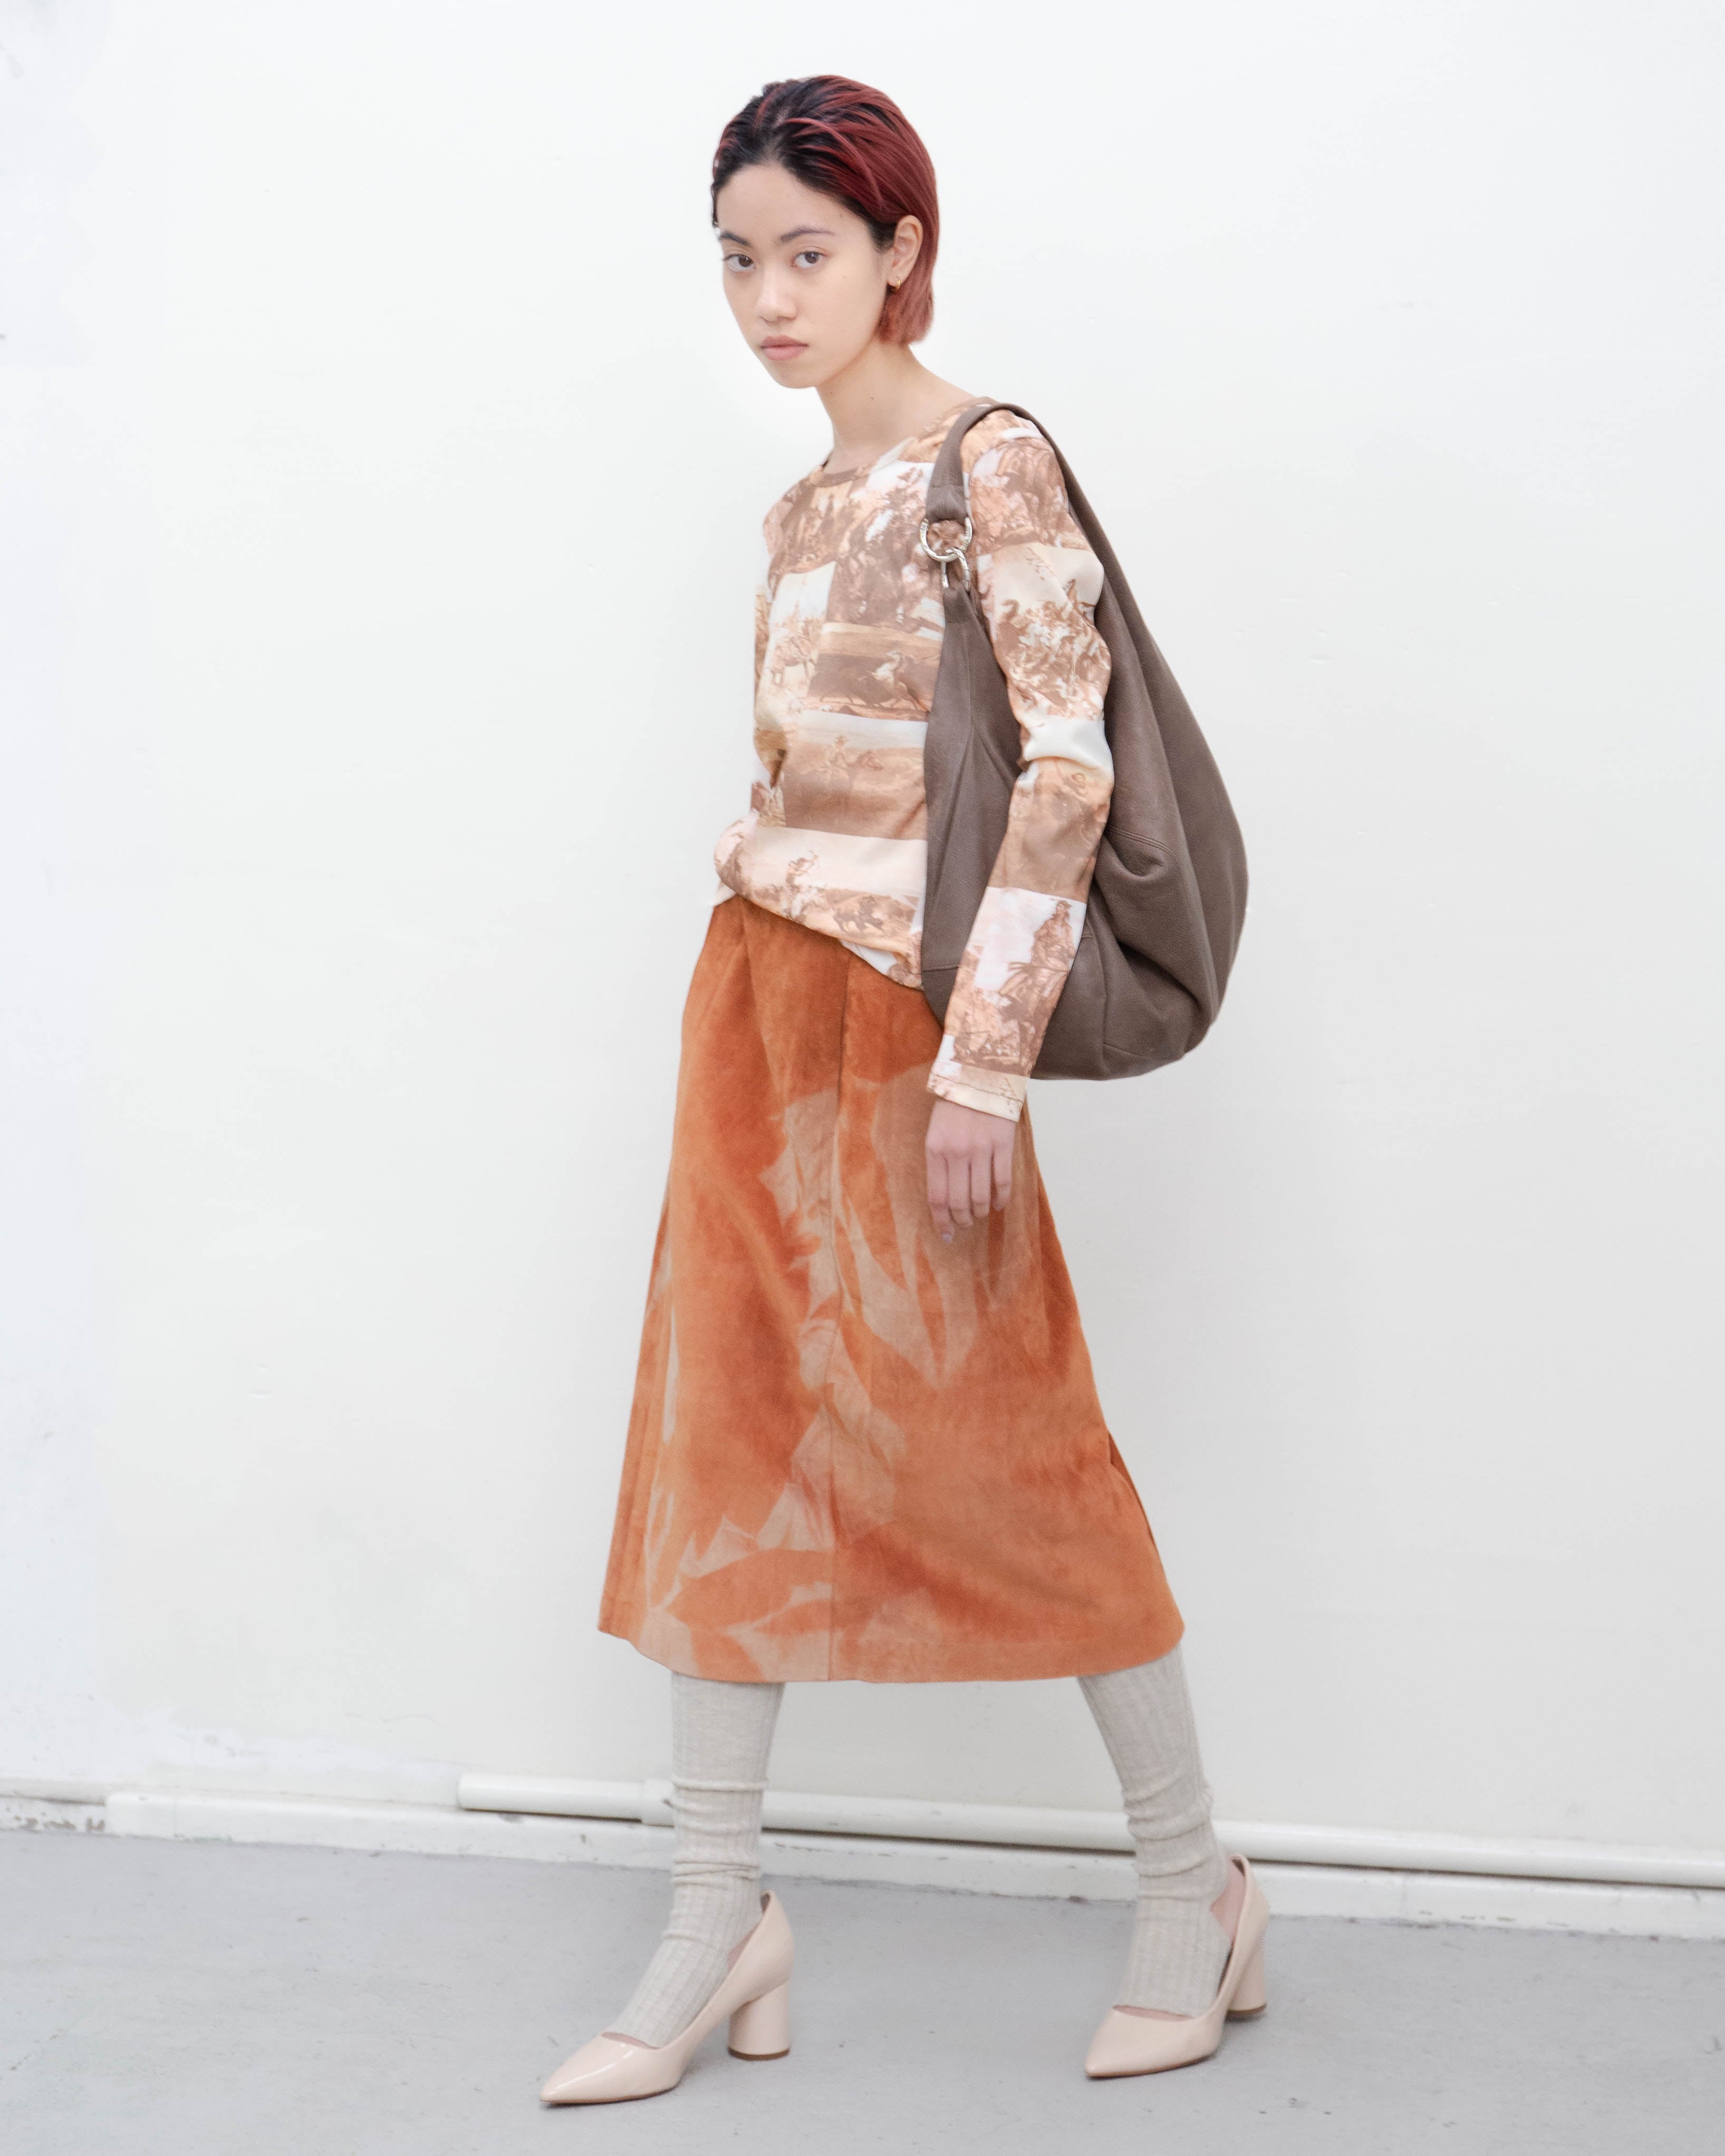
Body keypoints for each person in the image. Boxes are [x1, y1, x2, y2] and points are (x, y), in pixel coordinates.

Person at [540, 74, 1265, 2106]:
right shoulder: (796, 510)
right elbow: (803, 790)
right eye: (739, 261)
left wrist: (987, 1064)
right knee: (723, 1446)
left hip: (918, 1028)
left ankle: (1195, 1886)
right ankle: (719, 1915)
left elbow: (1070, 768)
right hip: (753, 1006)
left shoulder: (989, 461)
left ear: (900, 252)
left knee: (1023, 1452)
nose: (771, 299)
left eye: (810, 254)